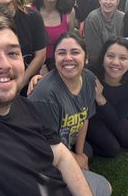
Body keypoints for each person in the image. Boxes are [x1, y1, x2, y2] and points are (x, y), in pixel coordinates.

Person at [0, 10, 111, 196]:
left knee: (104, 185)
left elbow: (60, 154)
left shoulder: (22, 105)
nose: (5, 64)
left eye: (12, 53)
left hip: (58, 179)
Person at [28, 33, 98, 171]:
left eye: (75, 52)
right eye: (61, 53)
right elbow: (48, 143)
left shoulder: (89, 78)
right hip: (43, 149)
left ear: (86, 57)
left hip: (66, 141)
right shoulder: (46, 96)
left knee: (87, 152)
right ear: (55, 58)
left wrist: (79, 154)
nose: (68, 58)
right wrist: (76, 159)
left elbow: (85, 118)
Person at [86, 37, 128, 157]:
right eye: (110, 56)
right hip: (90, 117)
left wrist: (100, 98)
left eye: (123, 58)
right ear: (103, 58)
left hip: (112, 114)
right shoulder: (90, 73)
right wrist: (39, 77)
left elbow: (116, 118)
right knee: (112, 149)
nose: (116, 62)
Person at [30, 0, 76, 72]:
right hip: (31, 65)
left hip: (59, 66)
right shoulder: (28, 11)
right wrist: (41, 67)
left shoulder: (69, 12)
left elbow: (69, 43)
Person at [84, 0, 124, 64]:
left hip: (120, 62)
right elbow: (95, 53)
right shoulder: (92, 19)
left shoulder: (123, 18)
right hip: (98, 63)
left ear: (118, 2)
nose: (108, 2)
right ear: (100, 0)